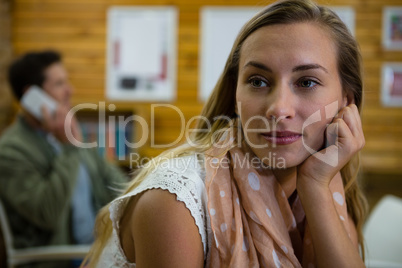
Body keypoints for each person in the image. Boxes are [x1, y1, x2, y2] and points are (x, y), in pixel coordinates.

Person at [83, 0, 368, 267]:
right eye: (258, 81)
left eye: (306, 81)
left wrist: (316, 187)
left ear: (346, 99)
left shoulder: (329, 181)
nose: (278, 108)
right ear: (234, 95)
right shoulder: (175, 201)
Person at [0, 50, 127, 268]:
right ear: (32, 96)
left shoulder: (68, 135)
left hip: (96, 252)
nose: (70, 90)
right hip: (58, 260)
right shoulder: (11, 151)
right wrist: (69, 149)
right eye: (59, 84)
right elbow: (46, 212)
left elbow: (116, 184)